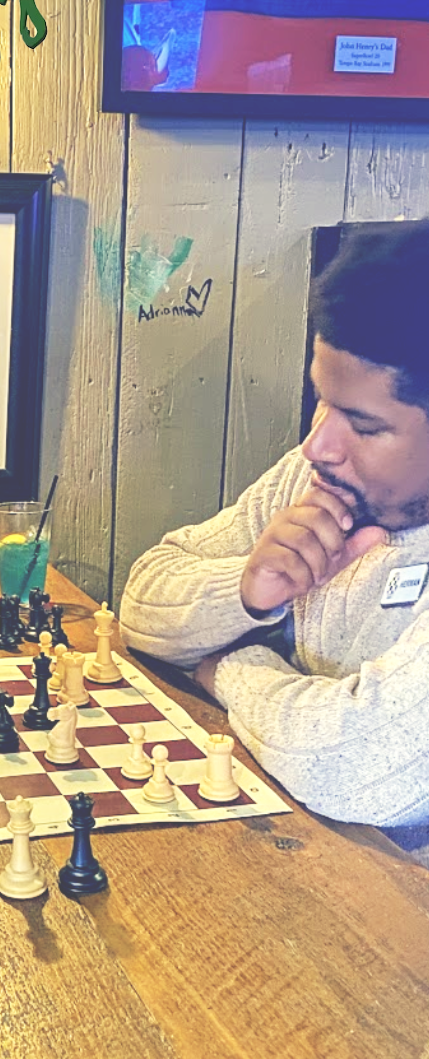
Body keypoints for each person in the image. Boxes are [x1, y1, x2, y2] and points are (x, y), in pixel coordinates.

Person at [119, 220, 429, 858]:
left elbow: (356, 766)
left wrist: (228, 666)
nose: (319, 444)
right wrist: (246, 596)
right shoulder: (320, 474)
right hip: (314, 854)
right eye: (322, 400)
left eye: (364, 425)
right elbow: (143, 603)